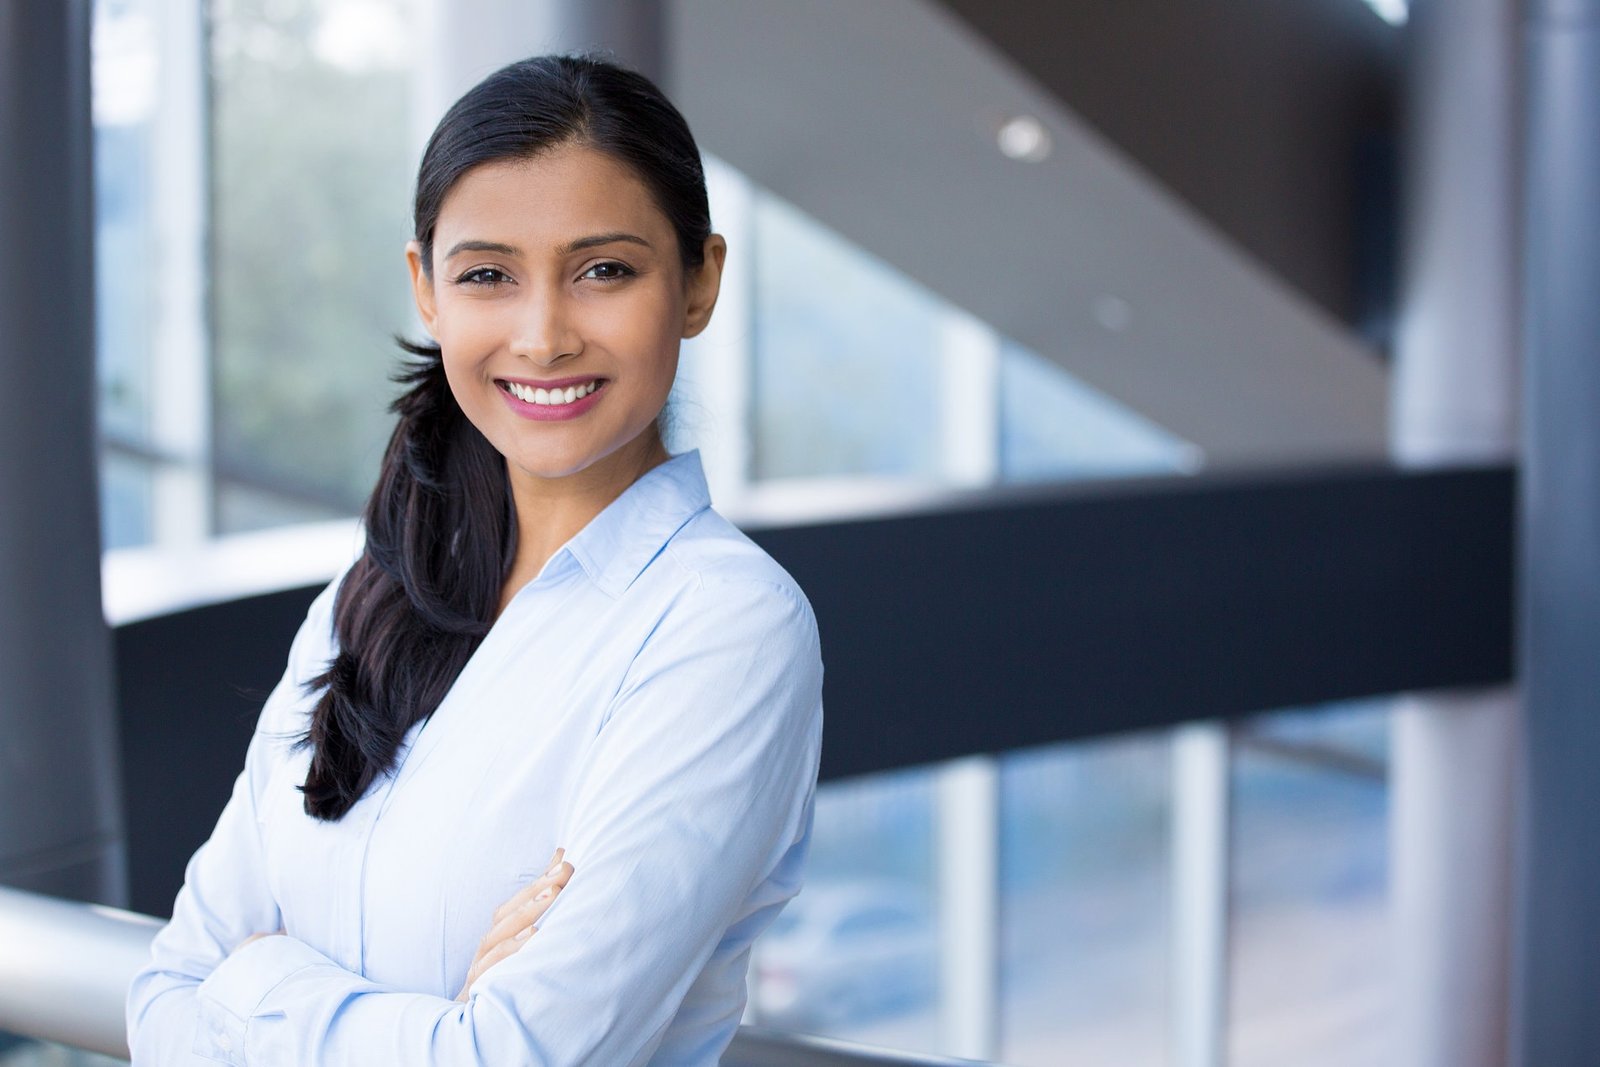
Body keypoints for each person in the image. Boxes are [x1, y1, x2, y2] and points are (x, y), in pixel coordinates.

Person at [125, 53, 824, 1066]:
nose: (541, 336)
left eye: (604, 270)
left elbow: (514, 1056)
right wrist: (433, 1023)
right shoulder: (364, 598)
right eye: (488, 274)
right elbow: (161, 994)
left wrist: (256, 982)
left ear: (699, 281)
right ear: (427, 287)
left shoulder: (726, 626)